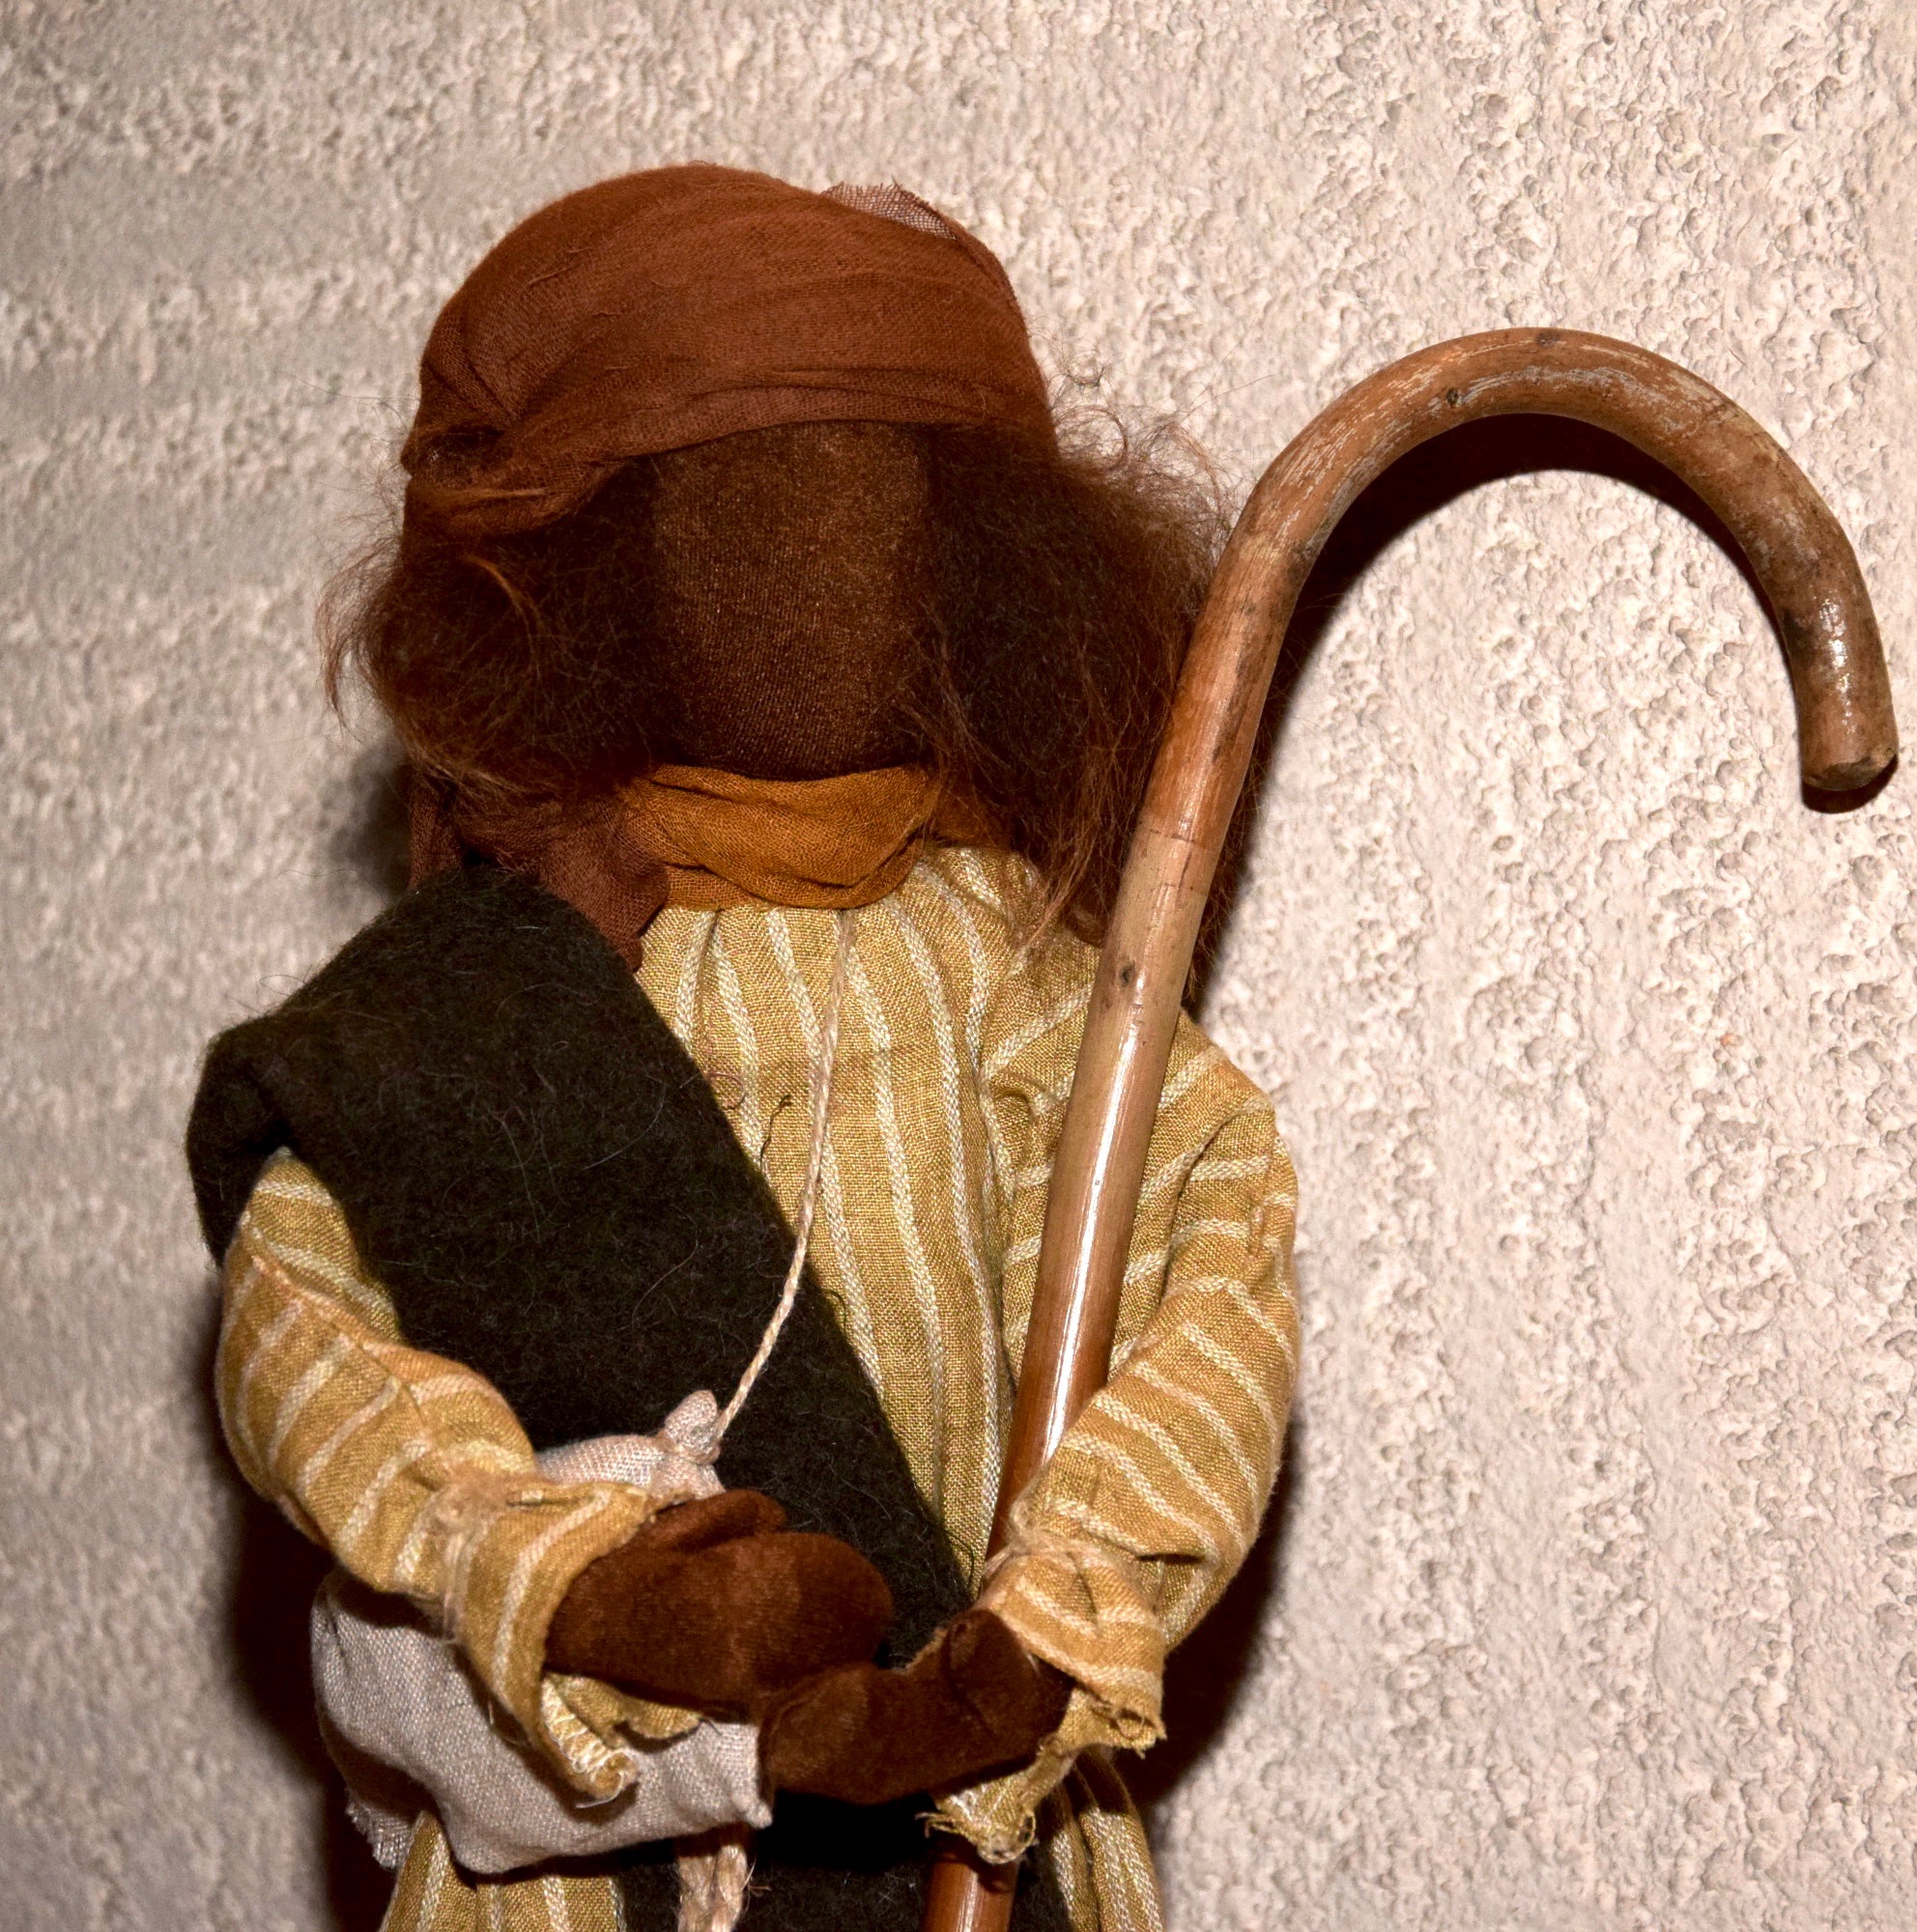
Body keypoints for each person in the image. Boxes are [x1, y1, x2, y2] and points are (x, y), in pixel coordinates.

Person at [193, 165, 1297, 1932]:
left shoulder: (1015, 971)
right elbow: (303, 1325)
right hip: (579, 1851)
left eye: (873, 512)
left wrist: (1060, 1612)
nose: (816, 572)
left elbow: (1209, 1264)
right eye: (749, 511)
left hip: (981, 1830)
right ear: (584, 579)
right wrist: (564, 1577)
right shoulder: (490, 990)